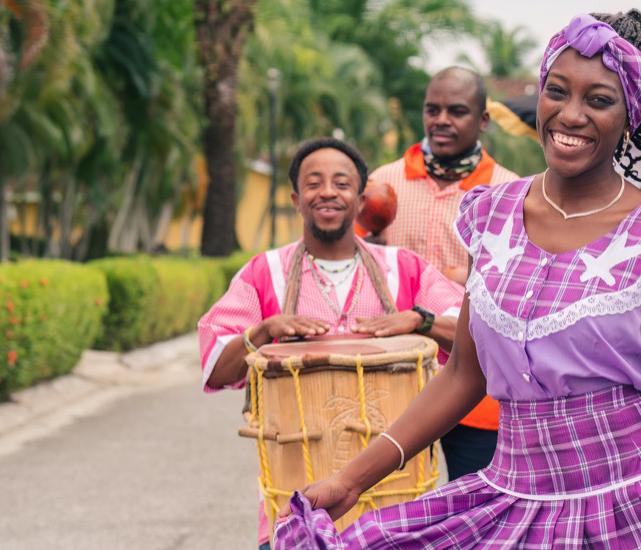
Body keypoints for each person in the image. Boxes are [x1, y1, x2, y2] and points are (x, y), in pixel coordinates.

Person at [273, 12, 641, 549]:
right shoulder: (490, 215)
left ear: (629, 117)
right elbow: (463, 375)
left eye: (598, 99)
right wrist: (352, 480)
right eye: (558, 91)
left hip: (637, 502)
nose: (571, 114)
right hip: (512, 499)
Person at [196, 137, 465, 550]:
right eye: (313, 183)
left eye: (341, 183)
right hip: (293, 511)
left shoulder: (405, 268)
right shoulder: (264, 272)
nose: (327, 192)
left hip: (396, 510)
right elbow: (215, 366)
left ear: (360, 200)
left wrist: (421, 320)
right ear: (296, 199)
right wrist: (265, 330)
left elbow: (474, 332)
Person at [362, 66, 520, 482]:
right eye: (432, 109)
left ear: (482, 120)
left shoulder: (509, 192)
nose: (442, 120)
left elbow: (519, 286)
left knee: (478, 504)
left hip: (476, 378)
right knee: (395, 499)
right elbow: (354, 261)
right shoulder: (382, 182)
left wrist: (460, 275)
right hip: (394, 371)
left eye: (457, 111)